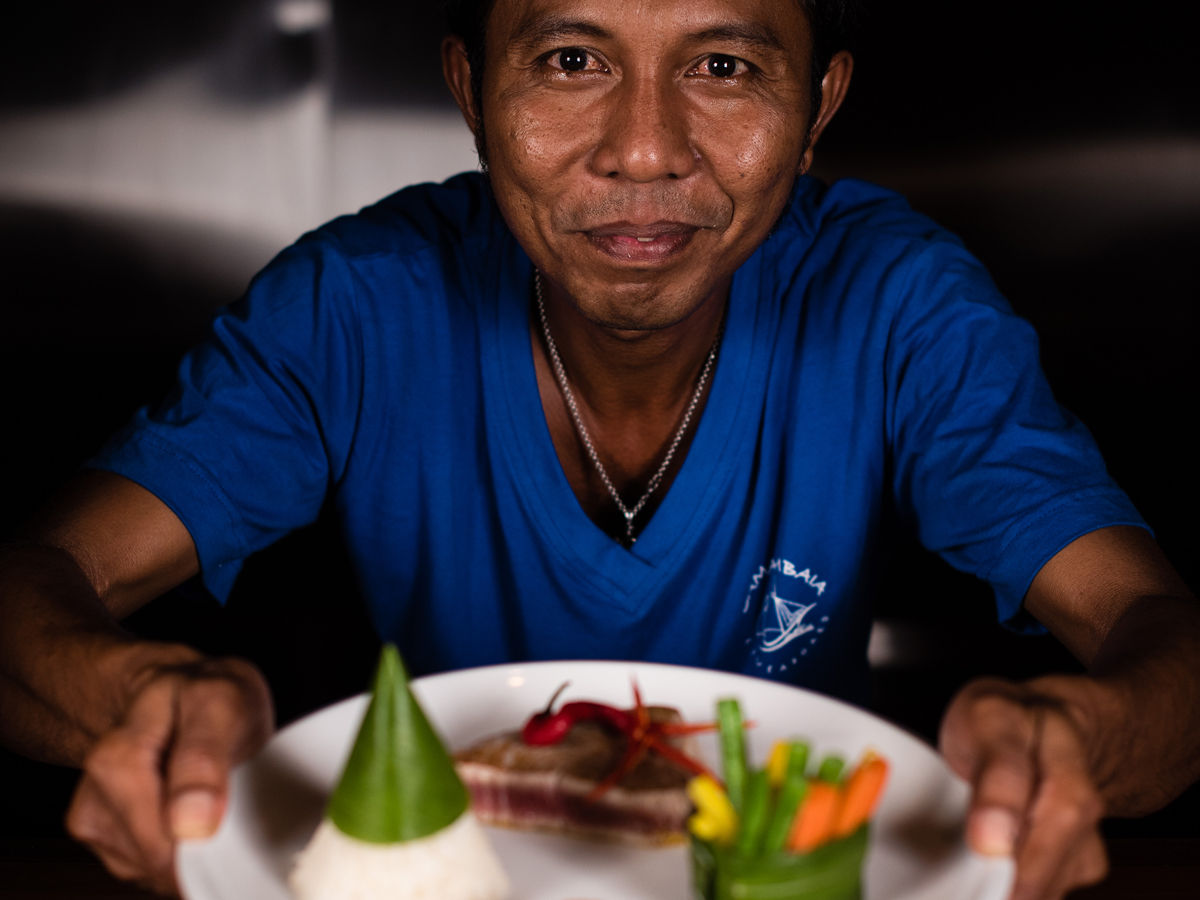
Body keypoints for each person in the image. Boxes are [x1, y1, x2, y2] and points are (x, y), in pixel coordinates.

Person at [0, 0, 1197, 897]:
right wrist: (132, 699)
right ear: (470, 89)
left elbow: (1160, 641)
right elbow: (44, 584)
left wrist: (1080, 741)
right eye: (572, 61)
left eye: (723, 66)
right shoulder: (356, 305)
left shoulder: (897, 303)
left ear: (819, 106)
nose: (642, 150)